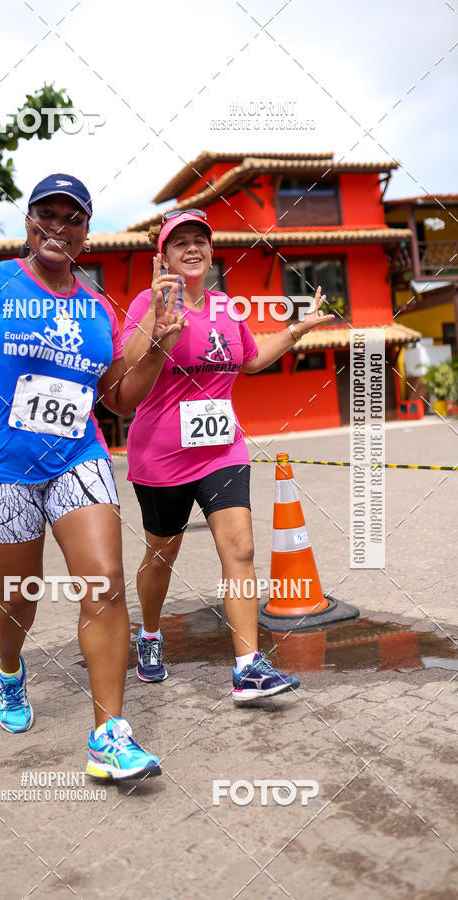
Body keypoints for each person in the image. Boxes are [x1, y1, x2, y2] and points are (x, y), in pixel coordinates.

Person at [0, 174, 186, 780]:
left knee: (102, 583)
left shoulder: (98, 307)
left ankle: (108, 737)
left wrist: (155, 345)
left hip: (78, 458)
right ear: (29, 223)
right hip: (0, 469)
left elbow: (119, 400)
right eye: (45, 214)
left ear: (84, 230)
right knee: (18, 598)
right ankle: (9, 669)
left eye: (71, 217)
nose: (57, 226)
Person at [122, 209, 335, 701]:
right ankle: (149, 635)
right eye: (181, 243)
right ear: (164, 256)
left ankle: (247, 667)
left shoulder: (226, 307)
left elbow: (253, 358)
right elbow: (128, 364)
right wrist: (156, 319)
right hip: (161, 456)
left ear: (211, 251)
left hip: (223, 449)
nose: (192, 248)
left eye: (200, 240)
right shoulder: (147, 301)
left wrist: (299, 328)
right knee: (161, 556)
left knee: (239, 551)